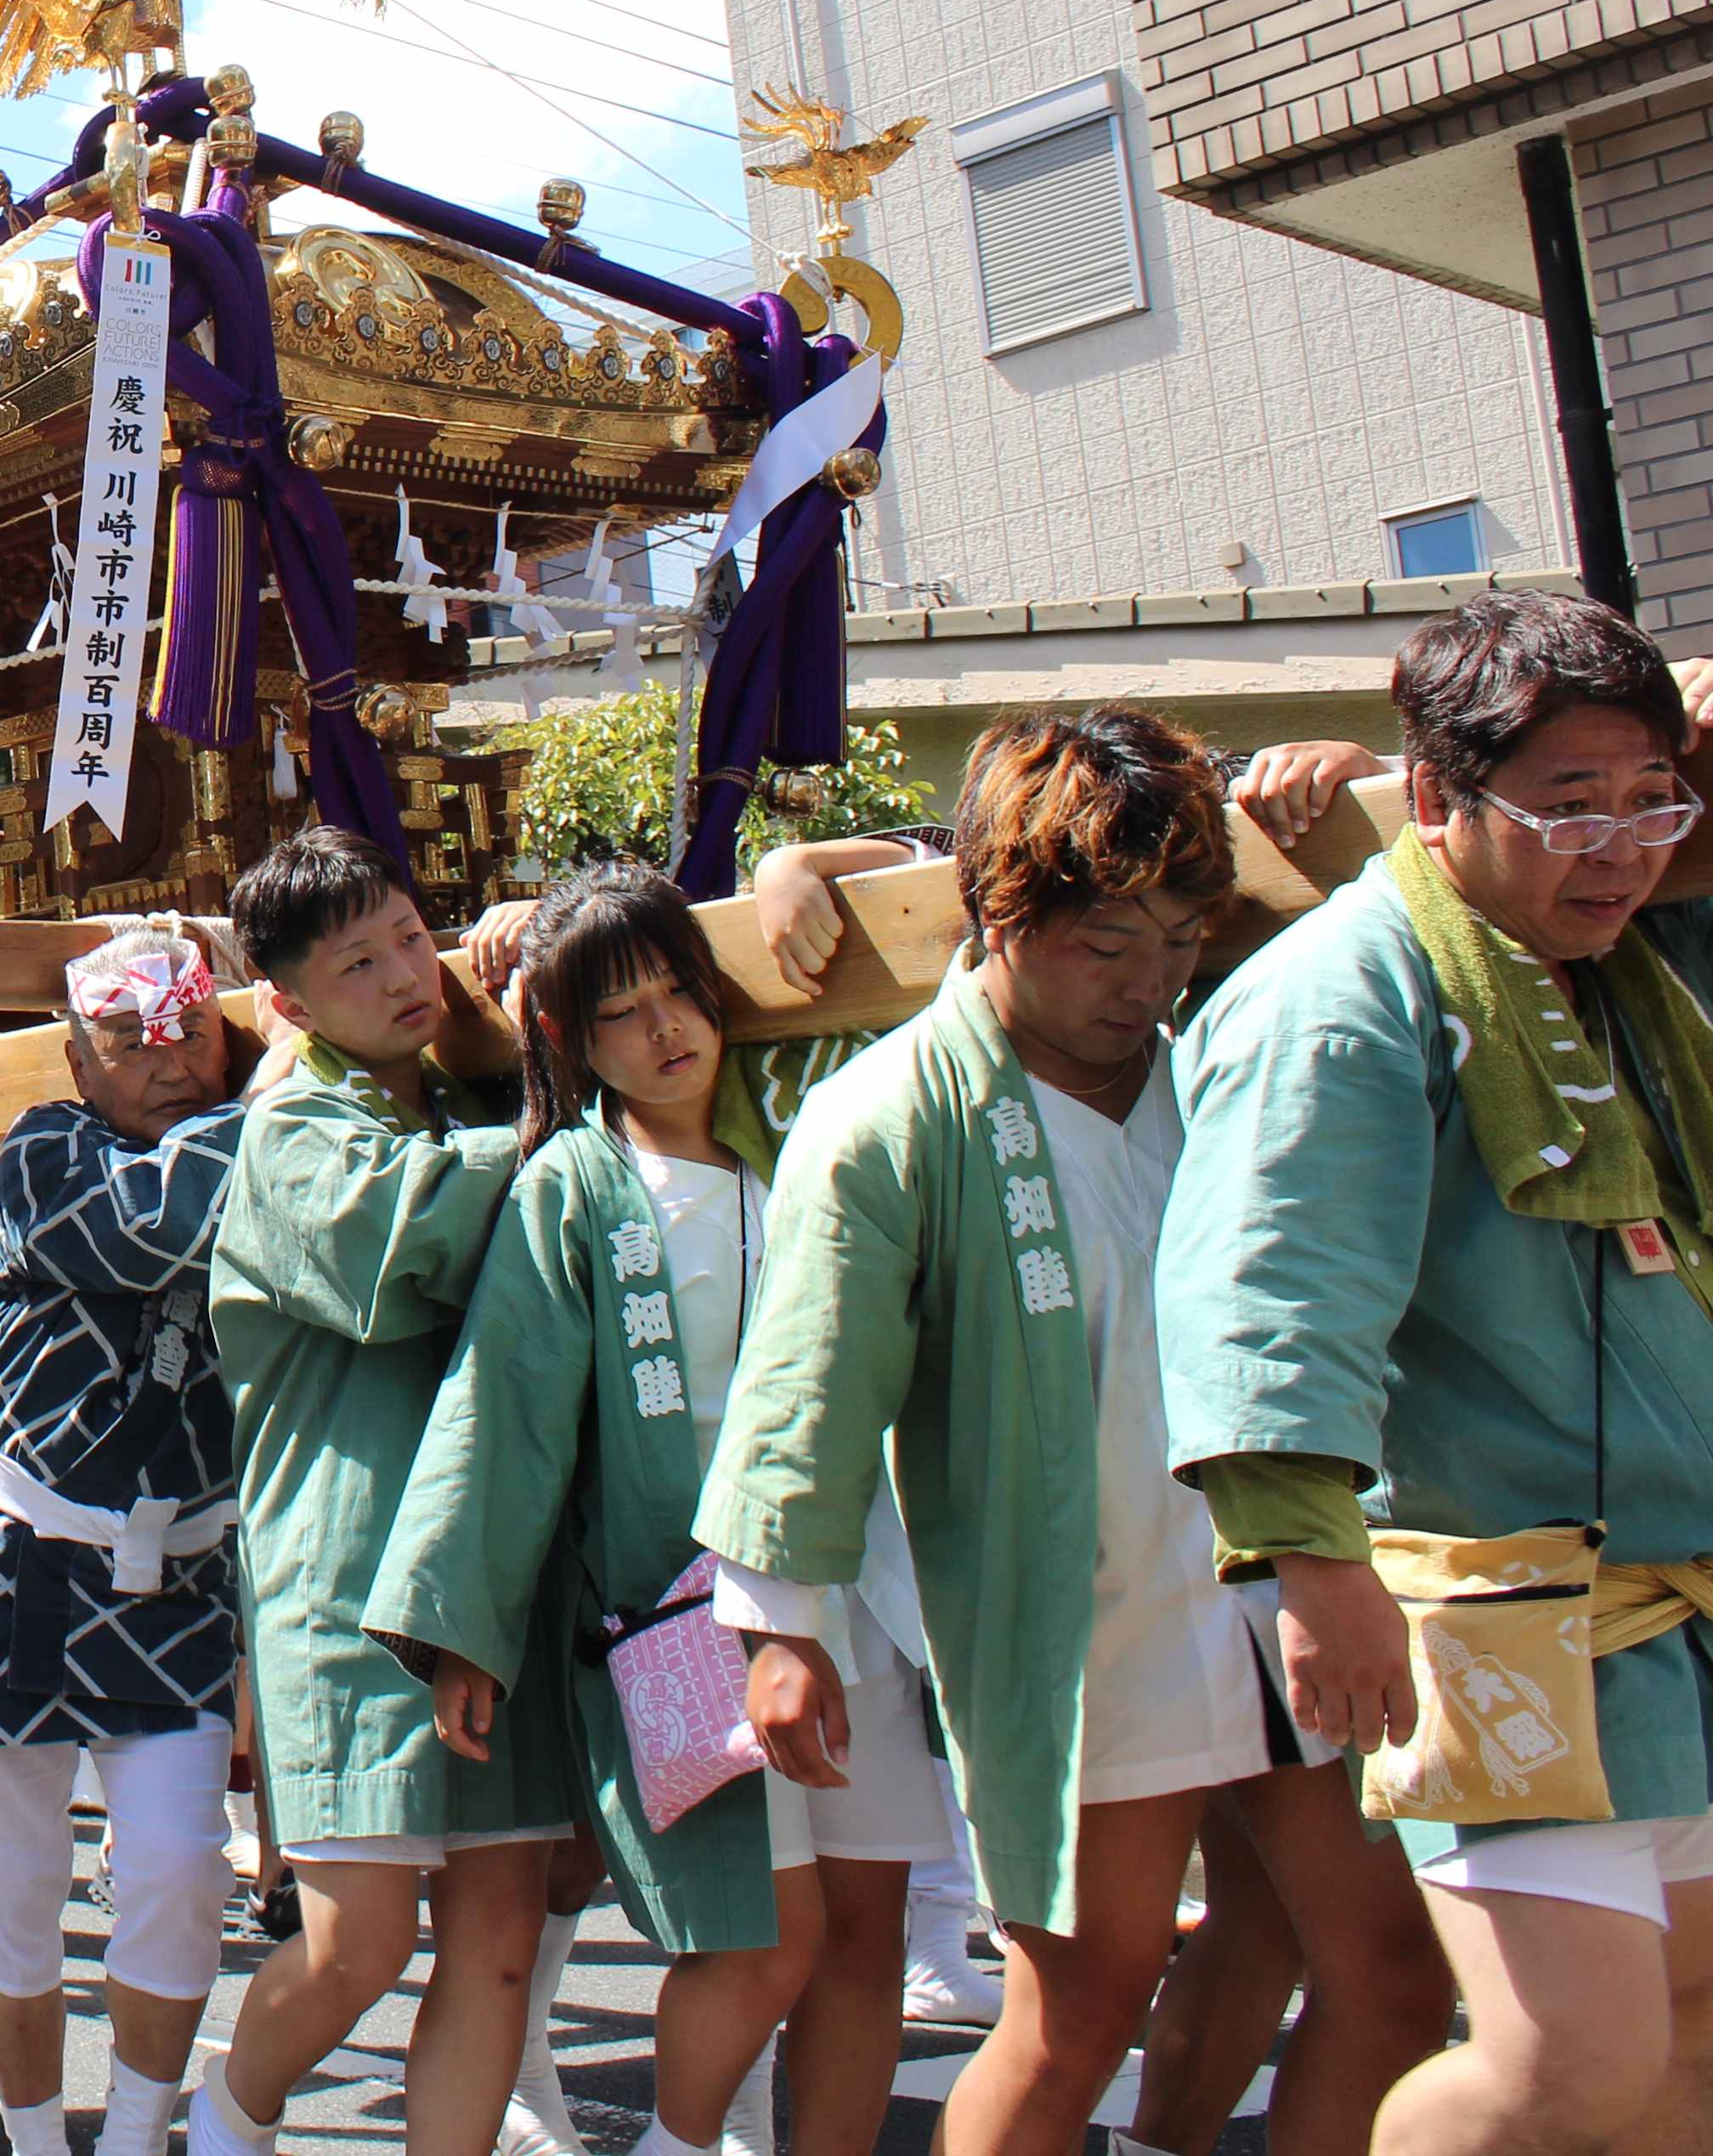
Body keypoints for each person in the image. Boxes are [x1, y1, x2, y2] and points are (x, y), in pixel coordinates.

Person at [695, 709, 1446, 2156]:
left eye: (1175, 940)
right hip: (1074, 1617)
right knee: (1078, 2002)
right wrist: (778, 1627)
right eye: (1105, 947)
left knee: (1385, 1971)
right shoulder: (884, 1118)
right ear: (993, 913)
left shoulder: (1217, 1047)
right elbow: (806, 1380)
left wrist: (1340, 770)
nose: (1145, 982)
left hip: (1272, 1583)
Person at [1163, 594, 1713, 2156]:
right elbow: (1267, 1287)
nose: (1616, 847)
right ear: (1430, 800)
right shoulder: (1336, 991)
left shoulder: (1626, 973)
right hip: (1491, 1604)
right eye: (1566, 806)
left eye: (1647, 802)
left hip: (1667, 1609)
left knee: (1683, 2042)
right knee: (1562, 2066)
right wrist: (1308, 1564)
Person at [370, 866, 927, 2156]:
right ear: (566, 1037)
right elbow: (501, 1406)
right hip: (695, 1611)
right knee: (762, 1938)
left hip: (868, 1582)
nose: (669, 1029)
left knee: (866, 1932)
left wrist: (798, 866)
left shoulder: (797, 1122)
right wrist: (463, 1623)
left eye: (683, 991)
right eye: (625, 1013)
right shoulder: (575, 1182)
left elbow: (920, 875)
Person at [182, 835, 554, 2156]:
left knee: (501, 1946)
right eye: (358, 962)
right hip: (349, 1581)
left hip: (495, 1573)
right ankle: (232, 2119)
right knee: (358, 1943)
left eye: (410, 935)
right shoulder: (292, 1125)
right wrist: (540, 1093)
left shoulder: (449, 1099)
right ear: (284, 1002)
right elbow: (409, 1244)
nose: (407, 974)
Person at [0, 920, 251, 2156]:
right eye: (129, 1039)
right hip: (9, 1563)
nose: (168, 1061)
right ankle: (29, 2135)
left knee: (177, 1870)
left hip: (182, 1571)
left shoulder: (270, 1144)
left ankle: (136, 2130)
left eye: (194, 1033)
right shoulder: (47, 1153)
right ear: (75, 1055)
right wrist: (272, 1090)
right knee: (11, 1894)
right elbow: (150, 1228)